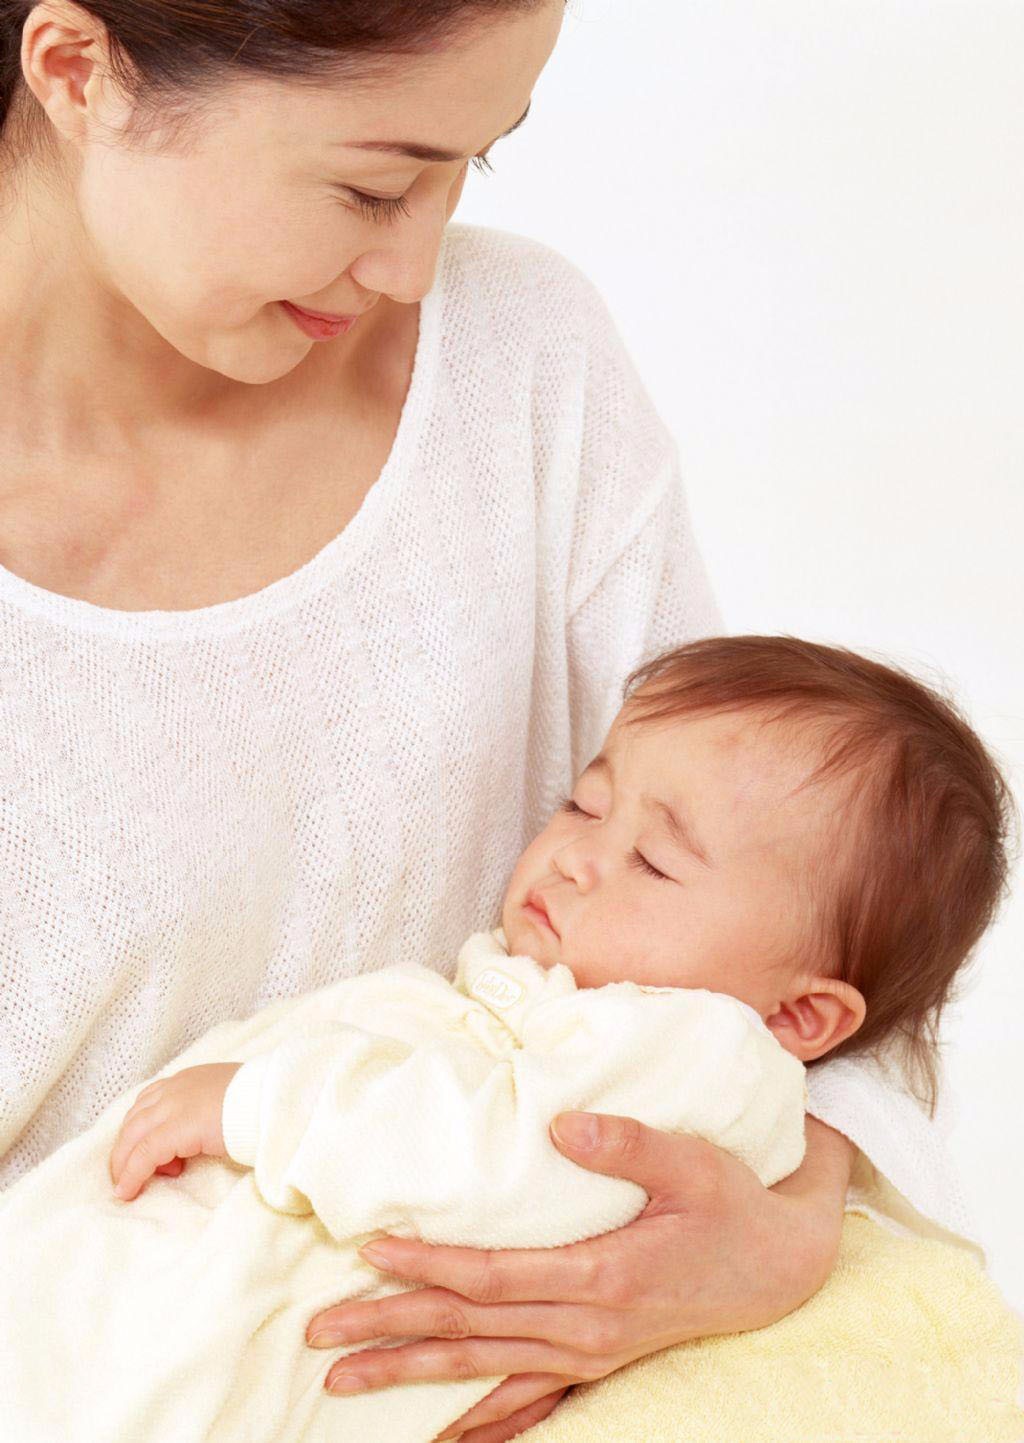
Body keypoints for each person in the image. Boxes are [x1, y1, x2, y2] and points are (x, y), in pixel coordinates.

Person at [0, 2, 993, 1437]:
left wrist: (785, 1219)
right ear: (78, 69)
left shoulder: (523, 365)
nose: (415, 266)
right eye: (370, 187)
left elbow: (815, 892)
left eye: (475, 164)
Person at [0, 635, 1011, 1443]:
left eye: (654, 863)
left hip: (229, 1352)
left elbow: (488, 1161)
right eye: (583, 803)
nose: (576, 856)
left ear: (797, 1018)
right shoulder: (560, 991)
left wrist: (260, 1104)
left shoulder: (701, 1054)